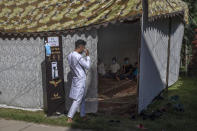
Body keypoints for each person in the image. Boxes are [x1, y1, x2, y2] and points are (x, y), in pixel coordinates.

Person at [67, 39, 90, 123]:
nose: (84, 50)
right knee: (77, 100)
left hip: (76, 78)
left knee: (82, 98)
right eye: (83, 48)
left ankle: (83, 115)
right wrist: (87, 56)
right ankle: (70, 117)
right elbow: (87, 66)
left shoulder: (70, 55)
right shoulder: (78, 56)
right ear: (80, 47)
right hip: (80, 80)